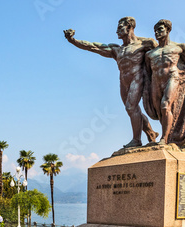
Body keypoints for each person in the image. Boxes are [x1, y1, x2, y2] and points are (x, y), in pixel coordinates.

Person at [64, 17, 159, 148]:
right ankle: (151, 133)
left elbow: (162, 53)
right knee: (132, 109)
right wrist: (72, 40)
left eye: (120, 28)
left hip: (138, 78)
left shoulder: (144, 44)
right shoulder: (116, 49)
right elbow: (92, 46)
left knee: (131, 107)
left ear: (130, 27)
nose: (116, 32)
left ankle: (136, 140)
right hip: (124, 82)